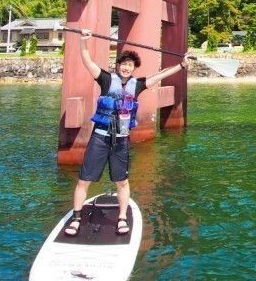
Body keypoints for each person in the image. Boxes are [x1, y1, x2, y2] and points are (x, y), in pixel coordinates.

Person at [63, 28, 192, 236]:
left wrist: (181, 65)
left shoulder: (137, 85)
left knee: (122, 181)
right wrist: (83, 41)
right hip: (100, 137)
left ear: (133, 68)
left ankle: (122, 218)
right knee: (83, 180)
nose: (126, 68)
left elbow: (160, 75)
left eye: (130, 65)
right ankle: (76, 219)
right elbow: (87, 61)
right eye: (123, 64)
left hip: (121, 140)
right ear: (118, 66)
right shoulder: (105, 79)